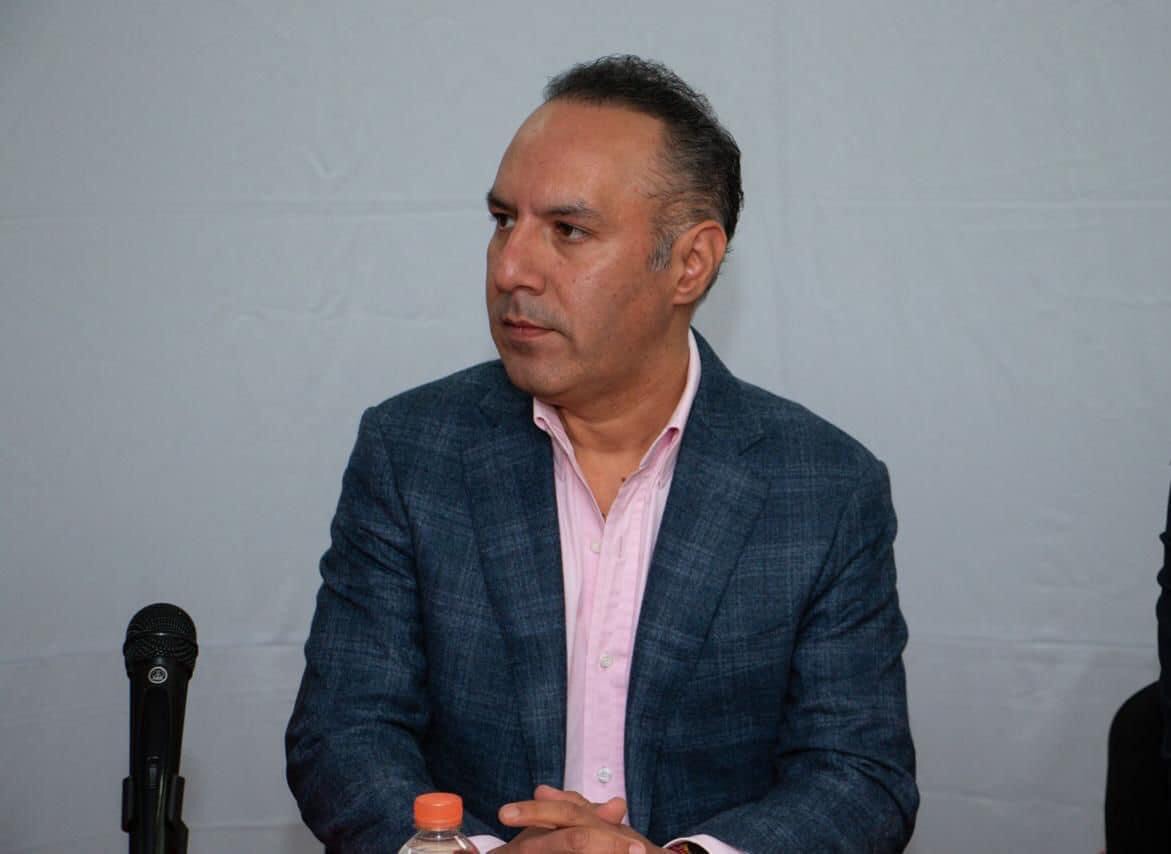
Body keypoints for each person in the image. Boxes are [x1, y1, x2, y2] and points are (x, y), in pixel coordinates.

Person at [286, 55, 918, 854]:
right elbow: (345, 734)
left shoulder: (823, 485)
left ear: (689, 262)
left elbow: (858, 778)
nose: (510, 268)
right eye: (502, 220)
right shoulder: (413, 450)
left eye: (568, 231)